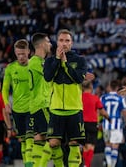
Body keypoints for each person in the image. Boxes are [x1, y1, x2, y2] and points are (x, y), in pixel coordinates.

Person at [40, 29, 87, 167]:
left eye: (67, 40)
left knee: (74, 143)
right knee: (53, 143)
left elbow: (78, 79)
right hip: (56, 109)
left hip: (74, 108)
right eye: (61, 40)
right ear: (57, 42)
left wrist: (65, 64)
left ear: (71, 43)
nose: (64, 43)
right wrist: (57, 60)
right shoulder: (49, 61)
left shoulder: (80, 60)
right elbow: (48, 77)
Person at [24, 32, 57, 167]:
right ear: (42, 44)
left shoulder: (37, 62)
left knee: (39, 139)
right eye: (48, 42)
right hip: (42, 105)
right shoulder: (36, 62)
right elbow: (50, 74)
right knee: (56, 138)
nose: (50, 44)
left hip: (36, 105)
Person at [1, 39, 31, 166]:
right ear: (15, 53)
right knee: (23, 141)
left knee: (30, 139)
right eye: (18, 54)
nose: (21, 57)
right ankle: (27, 163)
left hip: (32, 108)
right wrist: (6, 102)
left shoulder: (34, 65)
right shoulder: (11, 68)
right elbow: (5, 89)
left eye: (23, 54)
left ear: (29, 52)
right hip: (17, 110)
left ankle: (31, 164)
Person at [101, 80, 126, 167]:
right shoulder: (120, 98)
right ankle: (112, 165)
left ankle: (109, 164)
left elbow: (100, 110)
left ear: (110, 86)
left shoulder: (103, 97)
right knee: (115, 145)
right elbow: (125, 113)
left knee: (107, 144)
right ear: (118, 88)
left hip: (106, 124)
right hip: (117, 125)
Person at [82, 80, 110, 167]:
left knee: (85, 146)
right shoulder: (95, 98)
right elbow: (102, 111)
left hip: (81, 124)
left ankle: (85, 164)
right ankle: (87, 165)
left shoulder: (79, 97)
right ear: (91, 88)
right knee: (91, 147)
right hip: (92, 124)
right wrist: (109, 118)